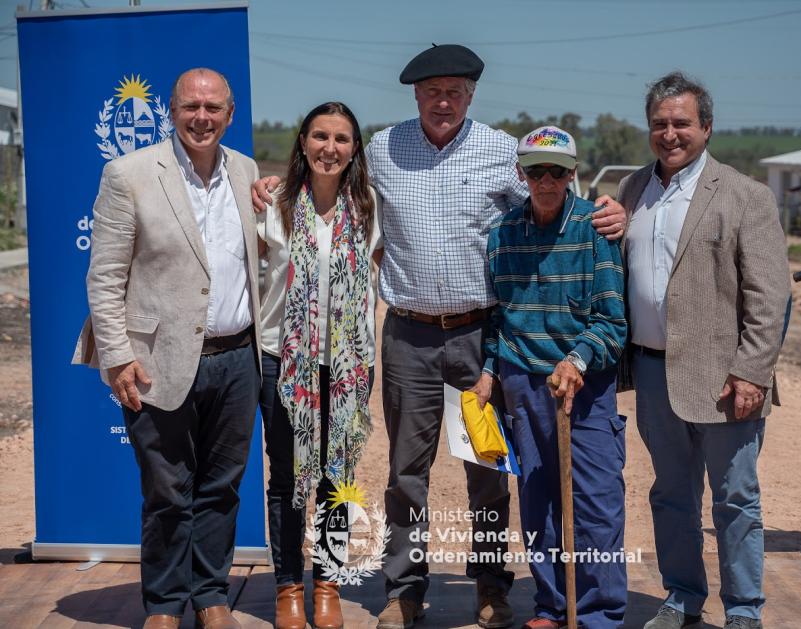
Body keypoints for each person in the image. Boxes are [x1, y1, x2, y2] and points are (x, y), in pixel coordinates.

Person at [251, 44, 626, 629]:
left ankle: (490, 586)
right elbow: (331, 196)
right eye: (432, 92)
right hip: (408, 338)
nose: (443, 101)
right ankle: (405, 589)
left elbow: (551, 203)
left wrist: (609, 211)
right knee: (406, 472)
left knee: (487, 471)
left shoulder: (501, 151)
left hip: (480, 337)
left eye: (454, 91)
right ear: (415, 96)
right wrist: (271, 185)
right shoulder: (382, 150)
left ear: (471, 95)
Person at [73, 68, 261, 629]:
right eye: (190, 107)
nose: (201, 118)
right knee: (167, 491)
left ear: (229, 113)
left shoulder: (246, 171)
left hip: (237, 359)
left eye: (213, 108)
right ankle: (162, 603)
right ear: (172, 111)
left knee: (222, 488)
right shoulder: (128, 174)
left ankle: (210, 595)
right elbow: (104, 277)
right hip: (156, 361)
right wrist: (116, 355)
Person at [609, 72, 791, 629]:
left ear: (706, 127)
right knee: (670, 496)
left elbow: (771, 293)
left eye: (681, 123)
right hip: (653, 371)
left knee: (735, 500)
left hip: (724, 381)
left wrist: (752, 373)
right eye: (660, 124)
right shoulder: (633, 191)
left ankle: (743, 610)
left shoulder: (745, 196)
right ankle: (683, 596)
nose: (670, 133)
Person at [475, 126, 627, 628]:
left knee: (596, 504)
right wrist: (489, 370)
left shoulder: (594, 230)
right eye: (536, 170)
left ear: (572, 174)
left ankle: (599, 612)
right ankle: (552, 604)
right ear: (521, 174)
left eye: (557, 171)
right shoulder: (502, 234)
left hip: (583, 386)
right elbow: (498, 317)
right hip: (523, 384)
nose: (546, 180)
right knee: (538, 501)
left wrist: (577, 360)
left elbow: (612, 321)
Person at [256, 101, 380, 629]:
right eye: (320, 136)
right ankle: (288, 588)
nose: (331, 148)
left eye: (343, 139)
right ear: (302, 141)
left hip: (349, 367)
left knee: (338, 475)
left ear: (355, 148)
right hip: (283, 362)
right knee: (285, 479)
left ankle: (326, 583)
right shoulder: (273, 203)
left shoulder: (371, 205)